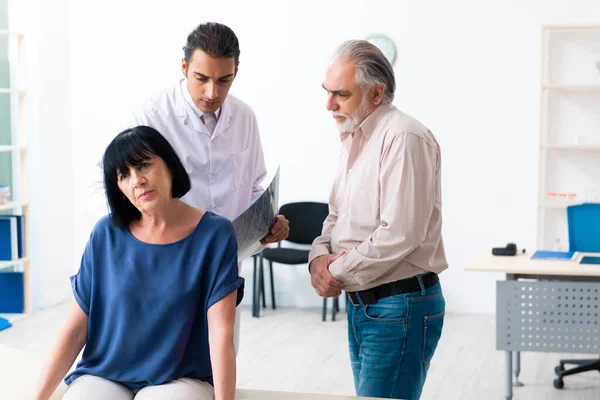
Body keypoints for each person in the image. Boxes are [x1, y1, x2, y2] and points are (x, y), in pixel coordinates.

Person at [34, 126, 243, 400]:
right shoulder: (105, 234)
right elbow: (75, 330)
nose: (137, 180)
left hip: (181, 378)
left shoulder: (215, 234)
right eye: (124, 175)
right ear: (119, 188)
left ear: (169, 165)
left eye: (144, 165)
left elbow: (221, 332)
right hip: (106, 373)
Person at [124, 21, 289, 344]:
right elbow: (116, 190)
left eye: (224, 80)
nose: (212, 93)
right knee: (167, 364)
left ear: (236, 71)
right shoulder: (151, 117)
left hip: (224, 266)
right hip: (168, 265)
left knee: (219, 361)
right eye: (201, 79)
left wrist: (266, 224)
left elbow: (253, 186)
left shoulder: (244, 117)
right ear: (184, 67)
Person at [308, 40, 448, 400]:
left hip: (398, 306)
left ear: (376, 93)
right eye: (327, 92)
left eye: (341, 94)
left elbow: (400, 234)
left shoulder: (403, 136)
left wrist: (333, 273)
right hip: (365, 304)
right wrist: (318, 260)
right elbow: (335, 217)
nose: (329, 104)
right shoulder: (353, 137)